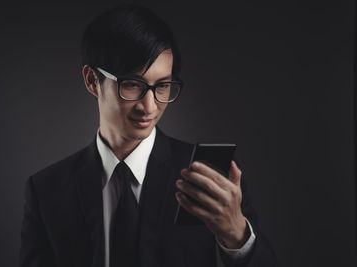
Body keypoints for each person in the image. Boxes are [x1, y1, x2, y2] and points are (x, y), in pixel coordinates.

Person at [20, 4, 279, 267]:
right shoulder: (47, 191)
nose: (150, 106)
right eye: (132, 84)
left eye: (163, 86)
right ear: (91, 81)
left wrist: (237, 235)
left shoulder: (209, 179)